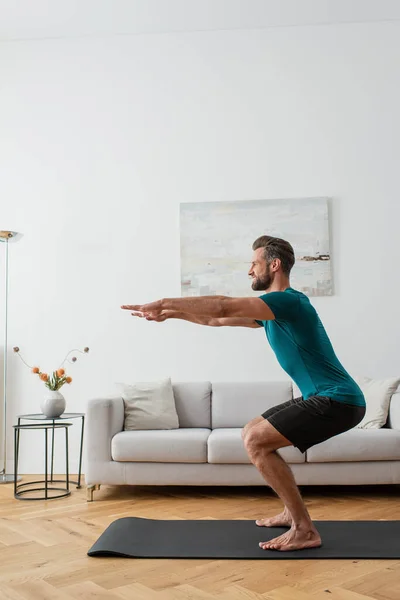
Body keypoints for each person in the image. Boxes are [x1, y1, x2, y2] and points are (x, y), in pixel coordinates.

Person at [121, 235, 366, 552]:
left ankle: (304, 529)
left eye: (254, 263)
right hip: (324, 397)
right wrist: (172, 315)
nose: (250, 271)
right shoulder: (272, 313)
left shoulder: (289, 302)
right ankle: (292, 513)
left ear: (274, 265)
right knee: (251, 432)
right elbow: (215, 317)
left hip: (339, 399)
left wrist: (166, 301)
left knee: (256, 441)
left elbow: (223, 304)